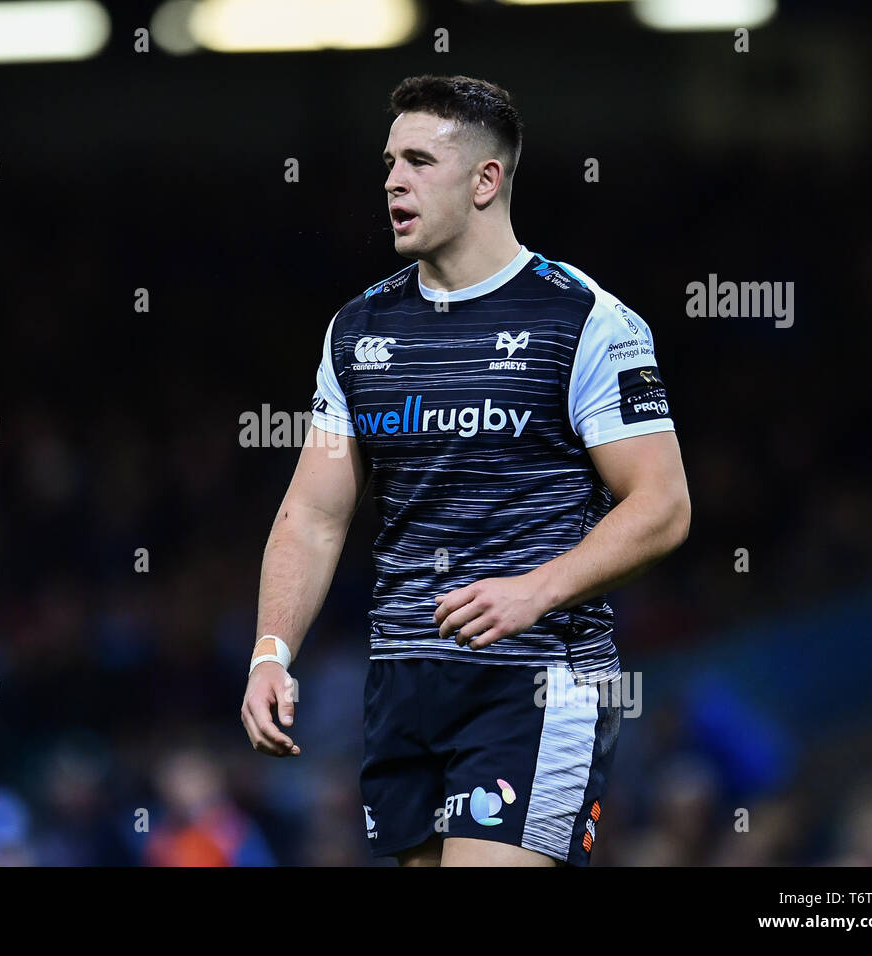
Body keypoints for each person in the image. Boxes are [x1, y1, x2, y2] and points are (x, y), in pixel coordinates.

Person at [239, 75, 691, 867]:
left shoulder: (584, 320)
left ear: (487, 181)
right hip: (405, 685)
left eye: (418, 160)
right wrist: (271, 652)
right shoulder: (358, 330)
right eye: (388, 162)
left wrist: (535, 590)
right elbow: (314, 515)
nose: (392, 181)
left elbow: (661, 505)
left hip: (538, 684)